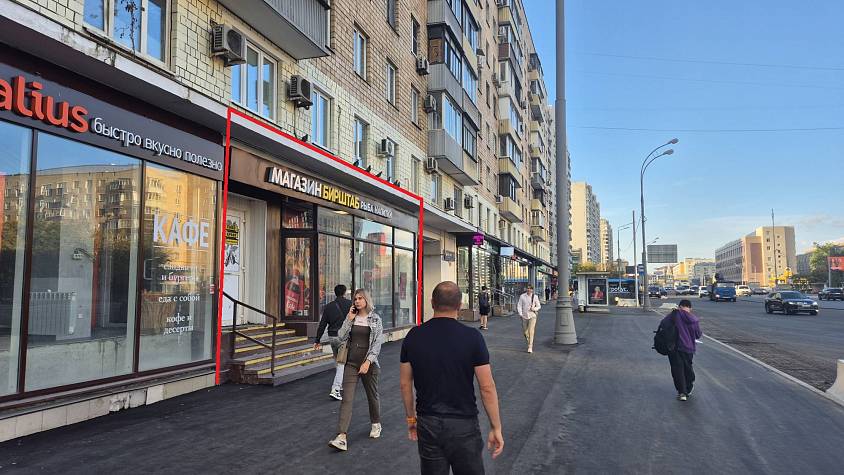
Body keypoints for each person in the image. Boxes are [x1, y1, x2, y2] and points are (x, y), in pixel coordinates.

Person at [400, 281, 504, 474]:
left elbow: (405, 384)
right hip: (463, 424)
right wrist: (495, 427)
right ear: (460, 305)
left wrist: (411, 419)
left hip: (428, 422)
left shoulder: (413, 336)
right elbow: (487, 387)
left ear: (432, 303)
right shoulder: (472, 337)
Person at [328, 289, 384, 451]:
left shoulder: (375, 319)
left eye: (360, 298)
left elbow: (377, 344)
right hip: (351, 364)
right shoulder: (351, 318)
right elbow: (340, 337)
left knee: (372, 396)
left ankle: (376, 423)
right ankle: (341, 436)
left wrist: (368, 362)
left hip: (369, 365)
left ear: (366, 300)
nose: (357, 301)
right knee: (347, 399)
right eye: (355, 299)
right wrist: (348, 319)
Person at [314, 284, 353, 401]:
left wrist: (317, 340)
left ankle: (339, 384)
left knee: (337, 361)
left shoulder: (328, 306)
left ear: (335, 293)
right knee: (341, 363)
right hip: (343, 337)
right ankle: (335, 389)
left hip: (332, 337)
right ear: (344, 292)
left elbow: (322, 325)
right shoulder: (350, 304)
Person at [660, 299, 702, 401]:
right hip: (688, 348)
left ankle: (682, 392)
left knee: (677, 370)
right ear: (690, 308)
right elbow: (698, 334)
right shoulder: (694, 319)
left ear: (680, 306)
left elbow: (663, 324)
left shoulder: (674, 315)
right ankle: (689, 387)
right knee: (688, 368)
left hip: (674, 347)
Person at [517, 285, 542, 353]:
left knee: (531, 331)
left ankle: (530, 346)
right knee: (525, 332)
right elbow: (519, 305)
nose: (528, 290)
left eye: (530, 289)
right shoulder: (522, 296)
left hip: (532, 316)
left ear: (532, 290)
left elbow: (539, 306)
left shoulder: (535, 297)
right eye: (527, 288)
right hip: (524, 316)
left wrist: (534, 309)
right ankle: (529, 343)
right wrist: (520, 314)